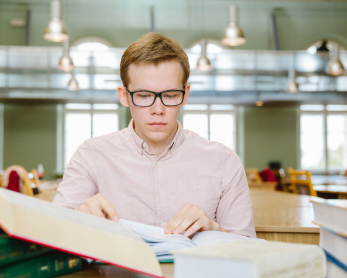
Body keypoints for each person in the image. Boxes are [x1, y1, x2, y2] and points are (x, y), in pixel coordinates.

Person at [53, 33, 255, 238]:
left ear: (185, 94)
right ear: (124, 96)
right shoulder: (91, 156)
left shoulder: (224, 162)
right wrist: (77, 218)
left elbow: (249, 252)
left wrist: (215, 230)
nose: (157, 109)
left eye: (169, 95)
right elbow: (52, 233)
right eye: (144, 95)